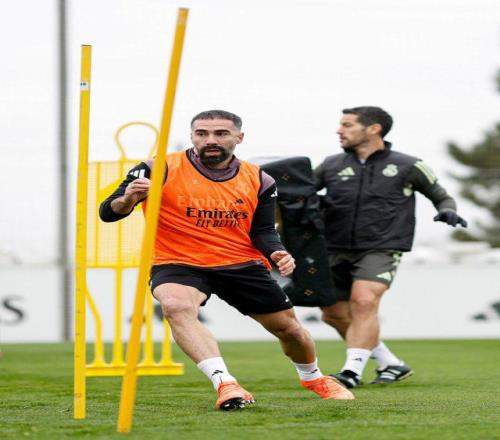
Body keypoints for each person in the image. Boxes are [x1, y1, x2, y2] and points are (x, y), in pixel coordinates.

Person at [100, 109, 354, 410]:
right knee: (175, 306)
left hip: (240, 263)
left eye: (221, 133)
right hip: (178, 260)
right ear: (192, 136)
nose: (210, 139)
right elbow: (108, 212)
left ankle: (313, 377)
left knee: (290, 330)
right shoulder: (157, 167)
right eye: (202, 133)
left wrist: (277, 251)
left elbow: (262, 231)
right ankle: (225, 383)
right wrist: (129, 199)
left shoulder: (259, 178)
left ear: (239, 137)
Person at [315, 106, 467, 388]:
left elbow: (441, 195)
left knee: (364, 302)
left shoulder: (409, 165)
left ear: (373, 129)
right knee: (333, 314)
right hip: (332, 247)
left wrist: (448, 210)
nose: (339, 130)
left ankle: (351, 372)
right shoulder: (330, 165)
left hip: (382, 247)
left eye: (347, 125)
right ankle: (390, 363)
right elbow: (301, 193)